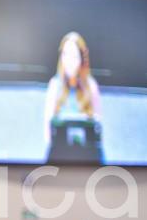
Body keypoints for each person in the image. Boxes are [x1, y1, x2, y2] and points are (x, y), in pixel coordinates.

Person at [43, 32, 103, 164]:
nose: (69, 61)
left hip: (87, 157)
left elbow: (98, 127)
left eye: (74, 56)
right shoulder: (55, 85)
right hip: (59, 156)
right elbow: (48, 129)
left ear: (82, 59)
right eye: (65, 55)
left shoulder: (91, 86)